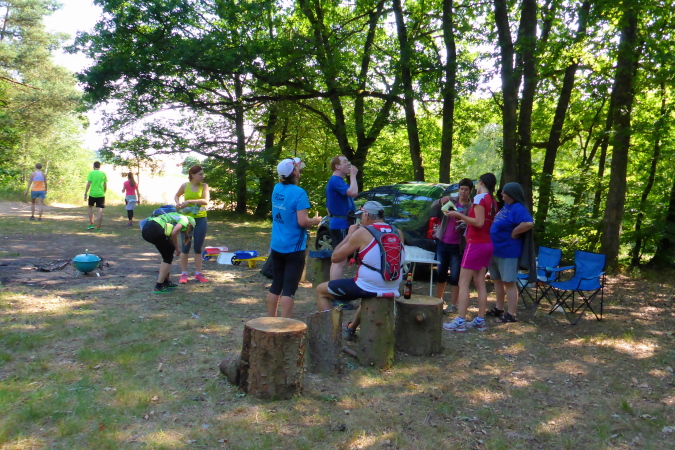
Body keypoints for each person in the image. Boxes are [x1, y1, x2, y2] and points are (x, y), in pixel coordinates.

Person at [316, 201, 405, 341]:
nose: (360, 220)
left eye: (361, 216)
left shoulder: (363, 232)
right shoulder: (397, 232)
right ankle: (351, 328)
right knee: (370, 293)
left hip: (368, 285)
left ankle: (332, 333)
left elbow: (335, 257)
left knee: (321, 290)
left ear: (367, 215)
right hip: (393, 285)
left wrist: (349, 235)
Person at [443, 173, 498, 332]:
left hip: (475, 244)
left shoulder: (480, 198)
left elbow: (479, 223)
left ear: (480, 183)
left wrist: (458, 214)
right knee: (480, 282)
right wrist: (466, 220)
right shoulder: (493, 201)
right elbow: (484, 222)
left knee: (463, 282)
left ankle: (460, 320)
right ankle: (480, 320)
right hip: (487, 243)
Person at [268, 157, 322, 318]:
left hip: (277, 245)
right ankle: (285, 325)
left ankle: (270, 321)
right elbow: (303, 222)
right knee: (289, 289)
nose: (300, 170)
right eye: (298, 168)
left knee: (276, 285)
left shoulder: (277, 188)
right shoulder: (299, 193)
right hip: (294, 247)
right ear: (295, 173)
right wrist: (315, 220)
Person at [485, 182, 534, 323]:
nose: (501, 194)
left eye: (504, 192)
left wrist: (514, 232)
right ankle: (499, 308)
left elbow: (529, 223)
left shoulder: (518, 208)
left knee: (509, 282)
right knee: (497, 280)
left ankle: (511, 314)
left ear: (512, 194)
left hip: (508, 252)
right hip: (496, 250)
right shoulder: (506, 206)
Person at [430, 178, 473, 314]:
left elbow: (473, 223)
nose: (463, 192)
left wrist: (464, 222)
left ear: (470, 191)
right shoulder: (452, 200)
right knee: (441, 273)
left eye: (466, 190)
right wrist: (441, 200)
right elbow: (433, 206)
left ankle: (453, 304)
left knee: (455, 276)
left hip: (458, 245)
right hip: (443, 241)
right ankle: (438, 300)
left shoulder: (471, 207)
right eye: (461, 189)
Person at [142, 212, 195, 294]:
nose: (186, 231)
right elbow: (174, 233)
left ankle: (165, 281)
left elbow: (169, 231)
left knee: (167, 254)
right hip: (155, 229)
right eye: (189, 229)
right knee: (168, 256)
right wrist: (177, 248)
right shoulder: (185, 220)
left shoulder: (177, 216)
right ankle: (159, 286)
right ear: (190, 224)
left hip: (147, 227)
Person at [174, 165, 210, 283]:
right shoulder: (185, 186)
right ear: (192, 175)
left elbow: (205, 201)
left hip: (201, 220)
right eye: (200, 174)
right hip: (187, 221)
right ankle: (184, 274)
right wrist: (178, 203)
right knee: (185, 247)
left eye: (203, 174)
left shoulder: (204, 186)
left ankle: (198, 274)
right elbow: (176, 195)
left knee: (198, 248)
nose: (202, 176)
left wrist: (189, 201)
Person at [325, 155, 358, 280]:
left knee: (339, 258)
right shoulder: (336, 180)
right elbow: (353, 192)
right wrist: (353, 176)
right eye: (345, 162)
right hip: (341, 224)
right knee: (340, 260)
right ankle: (334, 288)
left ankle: (332, 287)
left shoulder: (338, 181)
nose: (348, 163)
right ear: (337, 166)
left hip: (341, 222)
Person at [84, 161, 107, 231]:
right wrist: (104, 192)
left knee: (90, 208)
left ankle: (91, 224)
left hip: (92, 193)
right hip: (101, 194)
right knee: (99, 210)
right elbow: (105, 185)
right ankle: (99, 227)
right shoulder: (103, 174)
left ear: (93, 166)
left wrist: (85, 193)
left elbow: (88, 184)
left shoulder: (91, 173)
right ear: (99, 166)